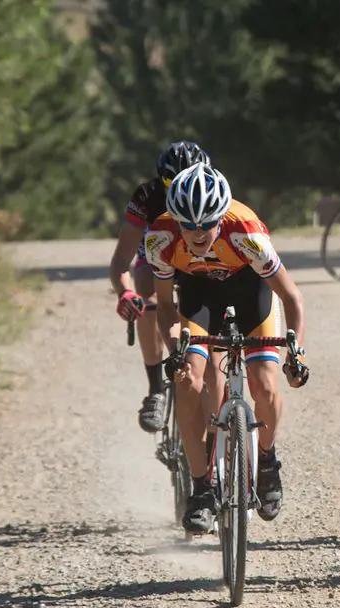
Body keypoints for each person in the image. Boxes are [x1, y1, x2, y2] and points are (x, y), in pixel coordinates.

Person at [145, 163, 309, 533]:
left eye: (207, 224)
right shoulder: (160, 237)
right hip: (199, 296)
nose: (198, 233)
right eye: (189, 224)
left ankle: (266, 462)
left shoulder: (246, 232)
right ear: (176, 220)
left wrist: (296, 352)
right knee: (188, 381)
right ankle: (202, 488)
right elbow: (167, 307)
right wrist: (174, 349)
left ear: (221, 217)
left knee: (265, 384)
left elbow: (291, 296)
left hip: (251, 291)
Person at [110, 141, 210, 433]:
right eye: (172, 183)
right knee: (146, 294)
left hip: (195, 259)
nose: (181, 189)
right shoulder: (147, 197)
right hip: (156, 258)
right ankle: (156, 390)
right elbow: (121, 260)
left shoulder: (211, 192)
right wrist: (125, 292)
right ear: (161, 180)